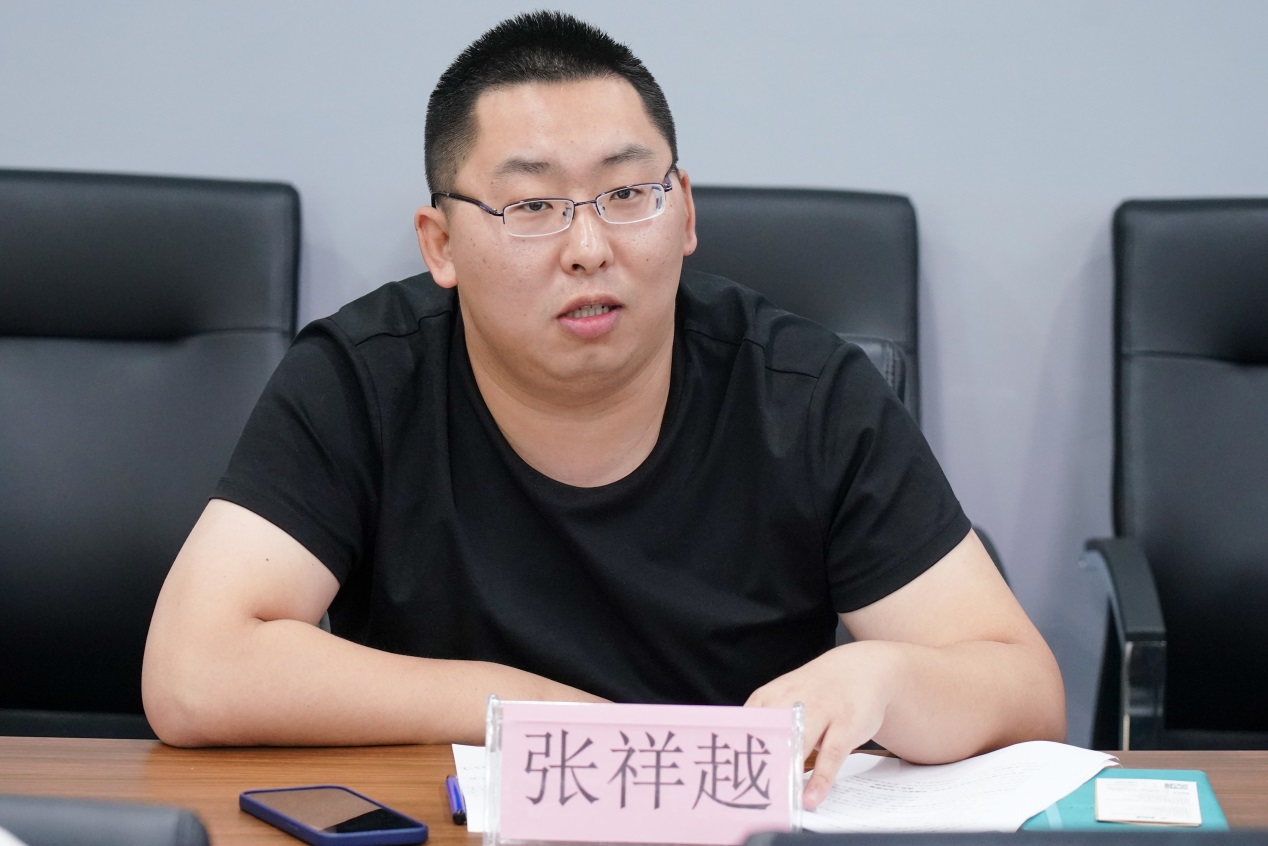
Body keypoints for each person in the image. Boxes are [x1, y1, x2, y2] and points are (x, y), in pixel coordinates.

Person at [142, 11, 1064, 809]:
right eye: (531, 205)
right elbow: (193, 671)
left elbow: (1026, 691)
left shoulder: (807, 395)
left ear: (685, 212)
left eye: (626, 194)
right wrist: (525, 710)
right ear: (441, 243)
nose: (588, 247)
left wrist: (886, 677)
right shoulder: (363, 380)